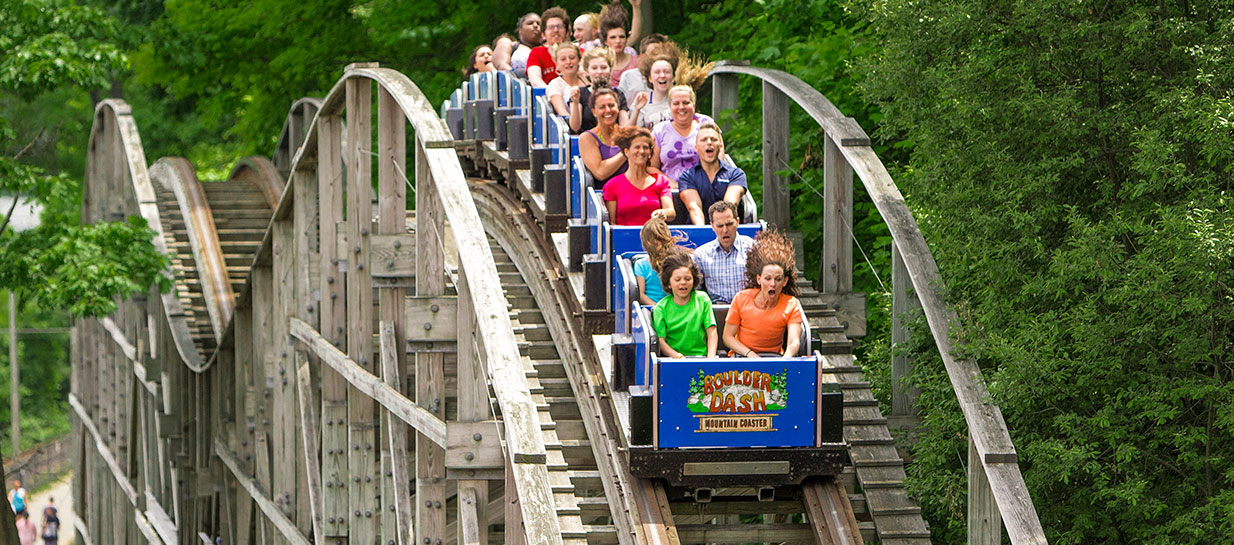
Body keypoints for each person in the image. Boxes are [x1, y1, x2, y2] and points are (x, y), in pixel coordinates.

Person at [723, 230, 804, 357]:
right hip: (742, 355)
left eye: (778, 279)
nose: (772, 284)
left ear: (784, 281)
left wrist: (786, 360)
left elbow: (794, 342)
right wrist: (750, 354)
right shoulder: (741, 299)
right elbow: (727, 337)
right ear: (759, 279)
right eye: (768, 278)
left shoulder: (791, 305)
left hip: (773, 357)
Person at [602, 126, 675, 225]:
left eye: (645, 147)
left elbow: (671, 212)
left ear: (649, 152)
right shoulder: (613, 185)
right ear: (626, 151)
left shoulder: (661, 181)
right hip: (626, 236)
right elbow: (612, 223)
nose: (641, 151)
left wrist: (664, 213)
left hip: (654, 237)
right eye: (637, 147)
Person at [678, 123, 747, 225]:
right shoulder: (687, 177)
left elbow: (730, 205)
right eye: (704, 140)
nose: (709, 142)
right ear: (696, 147)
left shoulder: (736, 174)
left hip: (728, 231)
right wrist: (705, 234)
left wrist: (721, 232)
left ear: (721, 146)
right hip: (699, 233)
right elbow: (694, 208)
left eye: (714, 139)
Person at [652, 252, 717, 358]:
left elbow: (712, 332)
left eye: (687, 279)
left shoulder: (702, 299)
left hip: (701, 357)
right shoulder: (661, 308)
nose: (683, 283)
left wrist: (710, 359)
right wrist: (678, 357)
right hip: (674, 359)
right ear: (669, 283)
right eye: (677, 280)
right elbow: (661, 341)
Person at [693, 201, 755, 304]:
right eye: (720, 226)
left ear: (737, 221)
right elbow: (695, 292)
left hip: (747, 308)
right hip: (715, 310)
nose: (725, 230)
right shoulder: (701, 254)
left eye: (729, 224)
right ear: (712, 226)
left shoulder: (753, 248)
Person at [651, 85, 714, 183]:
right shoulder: (659, 130)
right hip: (670, 190)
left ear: (693, 104)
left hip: (704, 186)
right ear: (670, 106)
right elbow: (651, 168)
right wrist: (671, 184)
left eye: (686, 103)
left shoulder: (706, 123)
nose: (681, 107)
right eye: (676, 103)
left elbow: (719, 157)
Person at [570, 48, 630, 134]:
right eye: (594, 68)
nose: (599, 72)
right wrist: (575, 102)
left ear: (610, 70)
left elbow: (625, 127)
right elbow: (575, 127)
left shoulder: (618, 94)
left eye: (604, 67)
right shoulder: (580, 93)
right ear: (587, 71)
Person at [578, 88, 628, 186]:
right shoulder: (588, 138)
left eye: (611, 105)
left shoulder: (626, 134)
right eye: (602, 107)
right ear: (594, 112)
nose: (608, 110)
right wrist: (627, 152)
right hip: (605, 195)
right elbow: (600, 173)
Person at [634, 217, 682, 304]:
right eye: (650, 239)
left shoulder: (677, 261)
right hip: (651, 311)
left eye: (658, 239)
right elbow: (641, 294)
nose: (655, 243)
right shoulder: (640, 264)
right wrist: (657, 308)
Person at [626, 49, 677, 130]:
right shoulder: (642, 100)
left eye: (667, 72)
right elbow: (628, 132)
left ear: (673, 77)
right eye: (657, 72)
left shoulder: (679, 100)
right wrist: (637, 109)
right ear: (650, 78)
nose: (662, 75)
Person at [598, 0, 642, 88]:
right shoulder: (600, 65)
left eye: (621, 37)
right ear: (606, 41)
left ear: (626, 39)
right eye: (613, 37)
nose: (618, 41)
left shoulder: (637, 62)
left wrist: (636, 7)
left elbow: (636, 34)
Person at [617, 33, 669, 102]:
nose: (657, 57)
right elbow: (620, 103)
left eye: (661, 53)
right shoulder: (628, 76)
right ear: (642, 56)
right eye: (653, 53)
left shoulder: (669, 77)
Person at [526, 6, 570, 87]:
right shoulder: (537, 53)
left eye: (559, 26)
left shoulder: (577, 52)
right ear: (543, 34)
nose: (556, 30)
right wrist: (552, 94)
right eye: (551, 27)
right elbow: (535, 79)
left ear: (567, 32)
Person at [547, 43, 584, 116]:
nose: (568, 62)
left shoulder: (587, 80)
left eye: (572, 58)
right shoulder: (555, 85)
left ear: (579, 60)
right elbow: (563, 113)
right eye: (563, 59)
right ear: (556, 63)